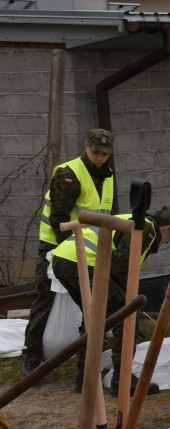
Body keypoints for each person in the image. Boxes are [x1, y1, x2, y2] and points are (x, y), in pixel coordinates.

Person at [50, 207, 170, 396]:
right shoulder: (146, 229)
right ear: (166, 229)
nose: (167, 243)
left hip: (64, 259)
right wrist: (126, 299)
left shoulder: (135, 220)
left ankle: (86, 377)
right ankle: (123, 380)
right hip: (83, 261)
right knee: (126, 312)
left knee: (94, 315)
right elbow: (120, 266)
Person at [22, 128, 115, 378]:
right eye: (95, 152)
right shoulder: (69, 174)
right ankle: (31, 357)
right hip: (55, 247)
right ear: (86, 146)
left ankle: (88, 361)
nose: (99, 157)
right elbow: (58, 219)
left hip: (87, 251)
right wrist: (68, 251)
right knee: (45, 298)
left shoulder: (106, 176)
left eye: (104, 153)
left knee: (91, 303)